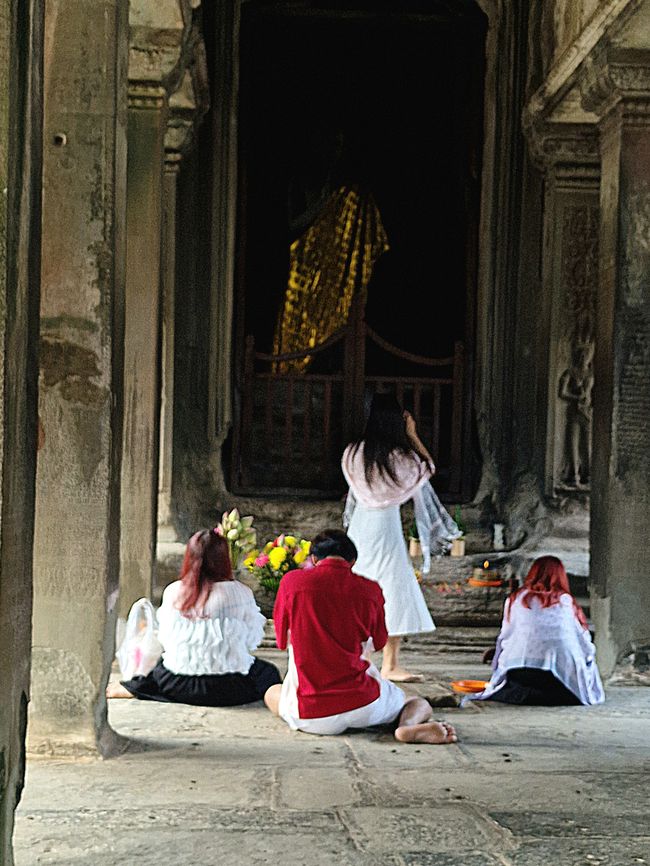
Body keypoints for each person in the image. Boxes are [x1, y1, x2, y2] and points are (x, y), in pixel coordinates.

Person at [264, 529, 458, 745]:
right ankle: (407, 726)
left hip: (309, 712)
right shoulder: (370, 589)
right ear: (353, 561)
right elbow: (379, 642)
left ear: (313, 558)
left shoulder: (292, 582)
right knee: (417, 702)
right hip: (365, 705)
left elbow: (281, 641)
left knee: (272, 692)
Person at [341, 392, 460, 682]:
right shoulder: (402, 457)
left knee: (359, 584)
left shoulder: (354, 453)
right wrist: (413, 435)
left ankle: (361, 657)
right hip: (387, 526)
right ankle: (390, 663)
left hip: (360, 526)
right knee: (393, 587)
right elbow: (428, 468)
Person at [107, 529, 282, 705]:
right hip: (229, 688)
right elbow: (251, 640)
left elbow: (166, 640)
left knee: (160, 669)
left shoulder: (173, 591)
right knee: (268, 673)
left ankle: (136, 687)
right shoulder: (241, 592)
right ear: (224, 559)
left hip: (178, 685)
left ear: (189, 557)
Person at [472, 555, 604, 706]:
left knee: (515, 687)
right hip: (556, 676)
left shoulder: (516, 598)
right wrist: (588, 657)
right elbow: (581, 639)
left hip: (520, 671)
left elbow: (506, 636)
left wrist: (499, 658)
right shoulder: (565, 601)